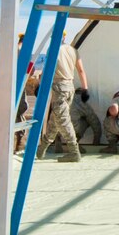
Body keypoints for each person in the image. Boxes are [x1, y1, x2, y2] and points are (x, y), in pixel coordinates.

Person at [36, 35, 88, 163]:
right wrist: (85, 88)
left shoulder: (52, 49)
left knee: (63, 121)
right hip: (70, 87)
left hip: (59, 88)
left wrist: (39, 84)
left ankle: (74, 152)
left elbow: (48, 69)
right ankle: (42, 148)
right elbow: (81, 70)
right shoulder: (73, 50)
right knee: (56, 119)